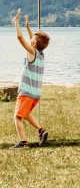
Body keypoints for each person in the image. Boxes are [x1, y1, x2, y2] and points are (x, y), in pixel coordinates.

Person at [11, 10, 51, 149]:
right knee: (26, 113)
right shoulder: (41, 54)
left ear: (33, 44)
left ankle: (23, 142)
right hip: (36, 94)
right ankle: (41, 130)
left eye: (32, 40)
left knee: (17, 116)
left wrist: (16, 22)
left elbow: (20, 38)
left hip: (26, 92)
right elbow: (33, 42)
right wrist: (28, 27)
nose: (30, 40)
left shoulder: (32, 52)